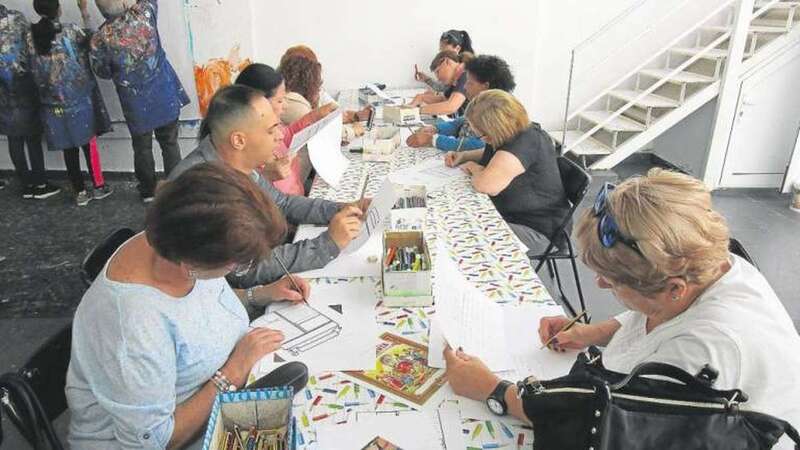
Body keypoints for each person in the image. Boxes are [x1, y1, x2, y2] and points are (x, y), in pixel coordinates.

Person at [444, 169, 800, 449]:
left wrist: (493, 389)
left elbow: (598, 420)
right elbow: (661, 311)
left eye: (612, 282)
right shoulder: (712, 264)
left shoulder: (706, 352)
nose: (599, 286)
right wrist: (589, 332)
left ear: (673, 286)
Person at [67, 162, 310, 450]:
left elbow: (202, 306)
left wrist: (261, 293)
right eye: (237, 263)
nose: (238, 268)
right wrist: (234, 371)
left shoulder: (175, 238)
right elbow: (158, 441)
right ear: (193, 264)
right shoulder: (132, 327)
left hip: (223, 393)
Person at [169, 85, 367, 292]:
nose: (281, 136)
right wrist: (328, 244)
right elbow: (244, 271)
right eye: (271, 130)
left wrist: (343, 208)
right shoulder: (205, 189)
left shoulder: (235, 160)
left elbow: (282, 203)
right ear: (238, 140)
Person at [445, 90, 570, 256]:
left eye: (481, 134)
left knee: (464, 238)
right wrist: (464, 156)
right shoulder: (511, 133)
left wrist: (474, 168)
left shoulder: (525, 143)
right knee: (459, 220)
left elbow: (484, 185)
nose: (481, 138)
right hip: (516, 216)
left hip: (539, 231)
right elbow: (493, 154)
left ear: (495, 128)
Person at [91, 0, 191, 203]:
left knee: (142, 147)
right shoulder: (144, 14)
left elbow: (102, 72)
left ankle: (147, 190)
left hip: (134, 101)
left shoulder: (100, 38)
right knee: (169, 143)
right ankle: (175, 188)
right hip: (163, 92)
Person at [28, 0, 113, 206]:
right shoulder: (70, 31)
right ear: (59, 9)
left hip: (53, 104)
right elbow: (94, 41)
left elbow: (33, 70)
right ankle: (99, 186)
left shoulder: (32, 37)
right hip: (79, 100)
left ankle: (80, 191)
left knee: (69, 148)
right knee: (88, 143)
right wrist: (84, 12)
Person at [235, 63, 337, 196]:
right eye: (279, 101)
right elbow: (238, 195)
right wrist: (264, 177)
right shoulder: (243, 145)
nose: (286, 105)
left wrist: (315, 116)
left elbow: (288, 134)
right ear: (259, 103)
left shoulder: (274, 126)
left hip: (295, 199)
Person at [0, 4, 61, 199]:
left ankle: (26, 185)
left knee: (14, 138)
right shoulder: (16, 18)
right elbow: (31, 46)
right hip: (24, 83)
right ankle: (40, 183)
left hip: (2, 89)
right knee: (33, 137)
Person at [407, 55, 515, 151]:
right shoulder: (479, 104)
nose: (465, 86)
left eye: (470, 83)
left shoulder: (498, 112)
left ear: (485, 86)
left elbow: (479, 146)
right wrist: (436, 129)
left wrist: (434, 140)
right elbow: (459, 123)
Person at [278, 45, 370, 125]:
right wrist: (353, 131)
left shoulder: (314, 89)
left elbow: (337, 113)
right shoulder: (292, 102)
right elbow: (317, 128)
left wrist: (357, 116)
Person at [407, 50, 471, 117]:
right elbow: (443, 100)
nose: (438, 78)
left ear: (447, 61)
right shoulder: (455, 80)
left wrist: (418, 110)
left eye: (438, 72)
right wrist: (421, 98)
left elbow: (451, 106)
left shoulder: (465, 75)